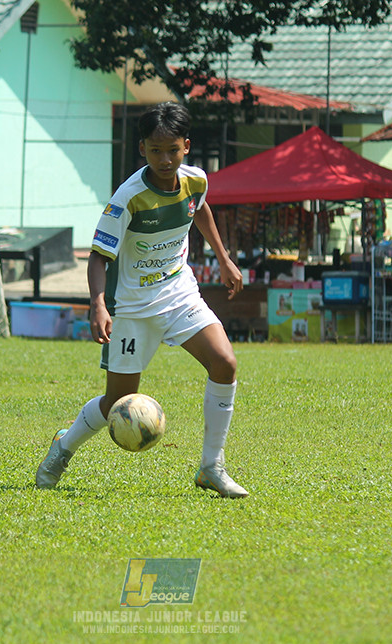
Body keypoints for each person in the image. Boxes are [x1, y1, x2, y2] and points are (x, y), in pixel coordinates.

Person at [36, 102, 249, 498]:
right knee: (117, 400)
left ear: (187, 146)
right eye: (155, 150)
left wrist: (223, 258)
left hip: (180, 292)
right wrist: (98, 304)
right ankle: (63, 446)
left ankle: (211, 467)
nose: (165, 159)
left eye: (172, 150)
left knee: (225, 363)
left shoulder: (196, 181)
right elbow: (99, 256)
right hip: (132, 307)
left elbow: (198, 210)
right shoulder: (128, 197)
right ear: (142, 149)